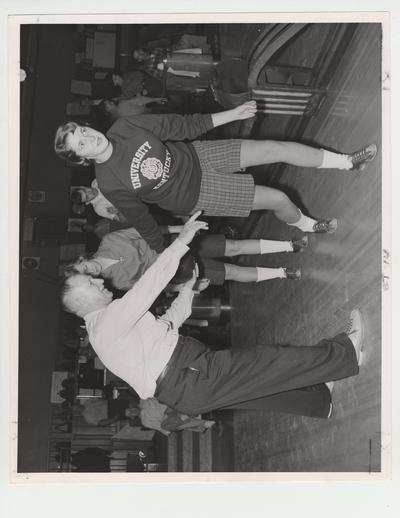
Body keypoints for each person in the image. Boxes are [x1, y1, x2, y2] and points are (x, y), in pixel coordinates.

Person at [61, 212, 364, 419]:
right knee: (268, 360)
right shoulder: (107, 321)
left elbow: (167, 324)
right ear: (80, 302)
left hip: (185, 391)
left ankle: (319, 400)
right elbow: (149, 287)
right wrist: (181, 243)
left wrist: (188, 290)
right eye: (90, 283)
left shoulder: (109, 328)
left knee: (255, 392)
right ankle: (347, 353)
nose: (100, 281)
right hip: (189, 378)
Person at [54, 102, 377, 253]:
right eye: (80, 143)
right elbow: (143, 220)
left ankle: (348, 161)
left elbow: (180, 125)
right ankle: (308, 225)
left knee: (273, 147)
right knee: (278, 199)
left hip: (198, 154)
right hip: (197, 193)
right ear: (81, 158)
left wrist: (231, 114)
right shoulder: (110, 182)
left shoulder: (124, 128)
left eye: (83, 130)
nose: (89, 137)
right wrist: (168, 252)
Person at [65, 225, 308, 290]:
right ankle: (282, 273)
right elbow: (156, 286)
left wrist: (181, 228)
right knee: (231, 272)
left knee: (233, 247)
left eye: (85, 267)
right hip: (180, 270)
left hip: (179, 243)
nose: (92, 270)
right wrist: (187, 287)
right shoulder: (117, 283)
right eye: (89, 275)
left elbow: (148, 231)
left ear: (81, 259)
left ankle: (289, 245)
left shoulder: (109, 241)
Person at [125, 398, 216, 435]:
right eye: (131, 414)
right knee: (167, 425)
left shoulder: (143, 400)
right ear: (132, 417)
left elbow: (158, 397)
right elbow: (160, 427)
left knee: (178, 420)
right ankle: (197, 421)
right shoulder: (145, 422)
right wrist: (166, 430)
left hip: (169, 405)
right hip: (169, 418)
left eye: (130, 409)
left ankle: (203, 423)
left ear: (131, 406)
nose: (133, 411)